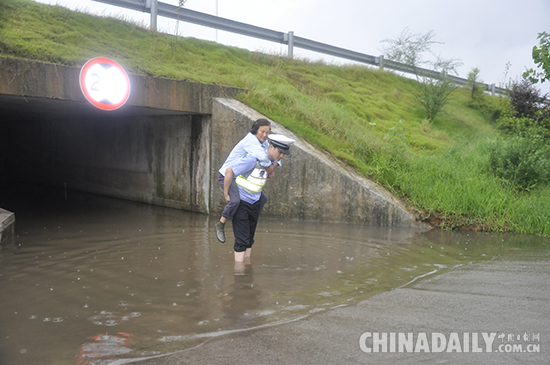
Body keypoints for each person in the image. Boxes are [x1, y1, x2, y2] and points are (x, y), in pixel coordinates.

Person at [223, 134, 295, 262]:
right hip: (242, 202)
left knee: (250, 238)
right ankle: (239, 274)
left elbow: (276, 163)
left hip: (255, 202)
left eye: (284, 154)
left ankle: (247, 268)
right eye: (280, 152)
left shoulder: (272, 161)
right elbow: (229, 171)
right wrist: (227, 194)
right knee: (241, 240)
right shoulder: (253, 159)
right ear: (271, 146)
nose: (281, 156)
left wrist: (272, 168)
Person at [215, 119, 279, 243]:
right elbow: (265, 159)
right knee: (235, 201)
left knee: (263, 198)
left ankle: (251, 219)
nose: (265, 135)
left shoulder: (263, 142)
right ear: (256, 130)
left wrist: (274, 164)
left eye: (268, 132)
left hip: (238, 175)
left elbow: (273, 157)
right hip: (227, 175)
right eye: (262, 131)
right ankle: (221, 224)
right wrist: (226, 193)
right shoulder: (251, 141)